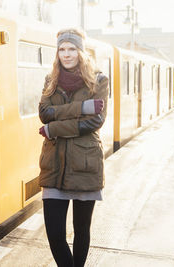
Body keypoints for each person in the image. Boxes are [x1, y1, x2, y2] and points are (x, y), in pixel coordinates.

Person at [38, 28, 109, 267]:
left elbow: (95, 121)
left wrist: (56, 128)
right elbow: (44, 114)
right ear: (57, 52)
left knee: (81, 231)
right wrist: (83, 108)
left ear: (80, 51)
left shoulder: (99, 80)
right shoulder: (51, 80)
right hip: (54, 165)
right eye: (61, 49)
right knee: (55, 234)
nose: (66, 55)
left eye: (71, 49)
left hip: (85, 165)